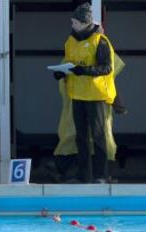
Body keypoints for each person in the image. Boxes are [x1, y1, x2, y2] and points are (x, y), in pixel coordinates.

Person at [52, 2, 117, 183]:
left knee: (98, 136)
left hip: (95, 96)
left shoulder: (100, 41)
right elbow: (69, 63)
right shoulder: (71, 41)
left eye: (74, 22)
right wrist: (61, 72)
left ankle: (100, 176)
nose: (72, 25)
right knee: (81, 137)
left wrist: (85, 71)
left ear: (83, 23)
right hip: (77, 95)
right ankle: (84, 175)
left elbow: (106, 68)